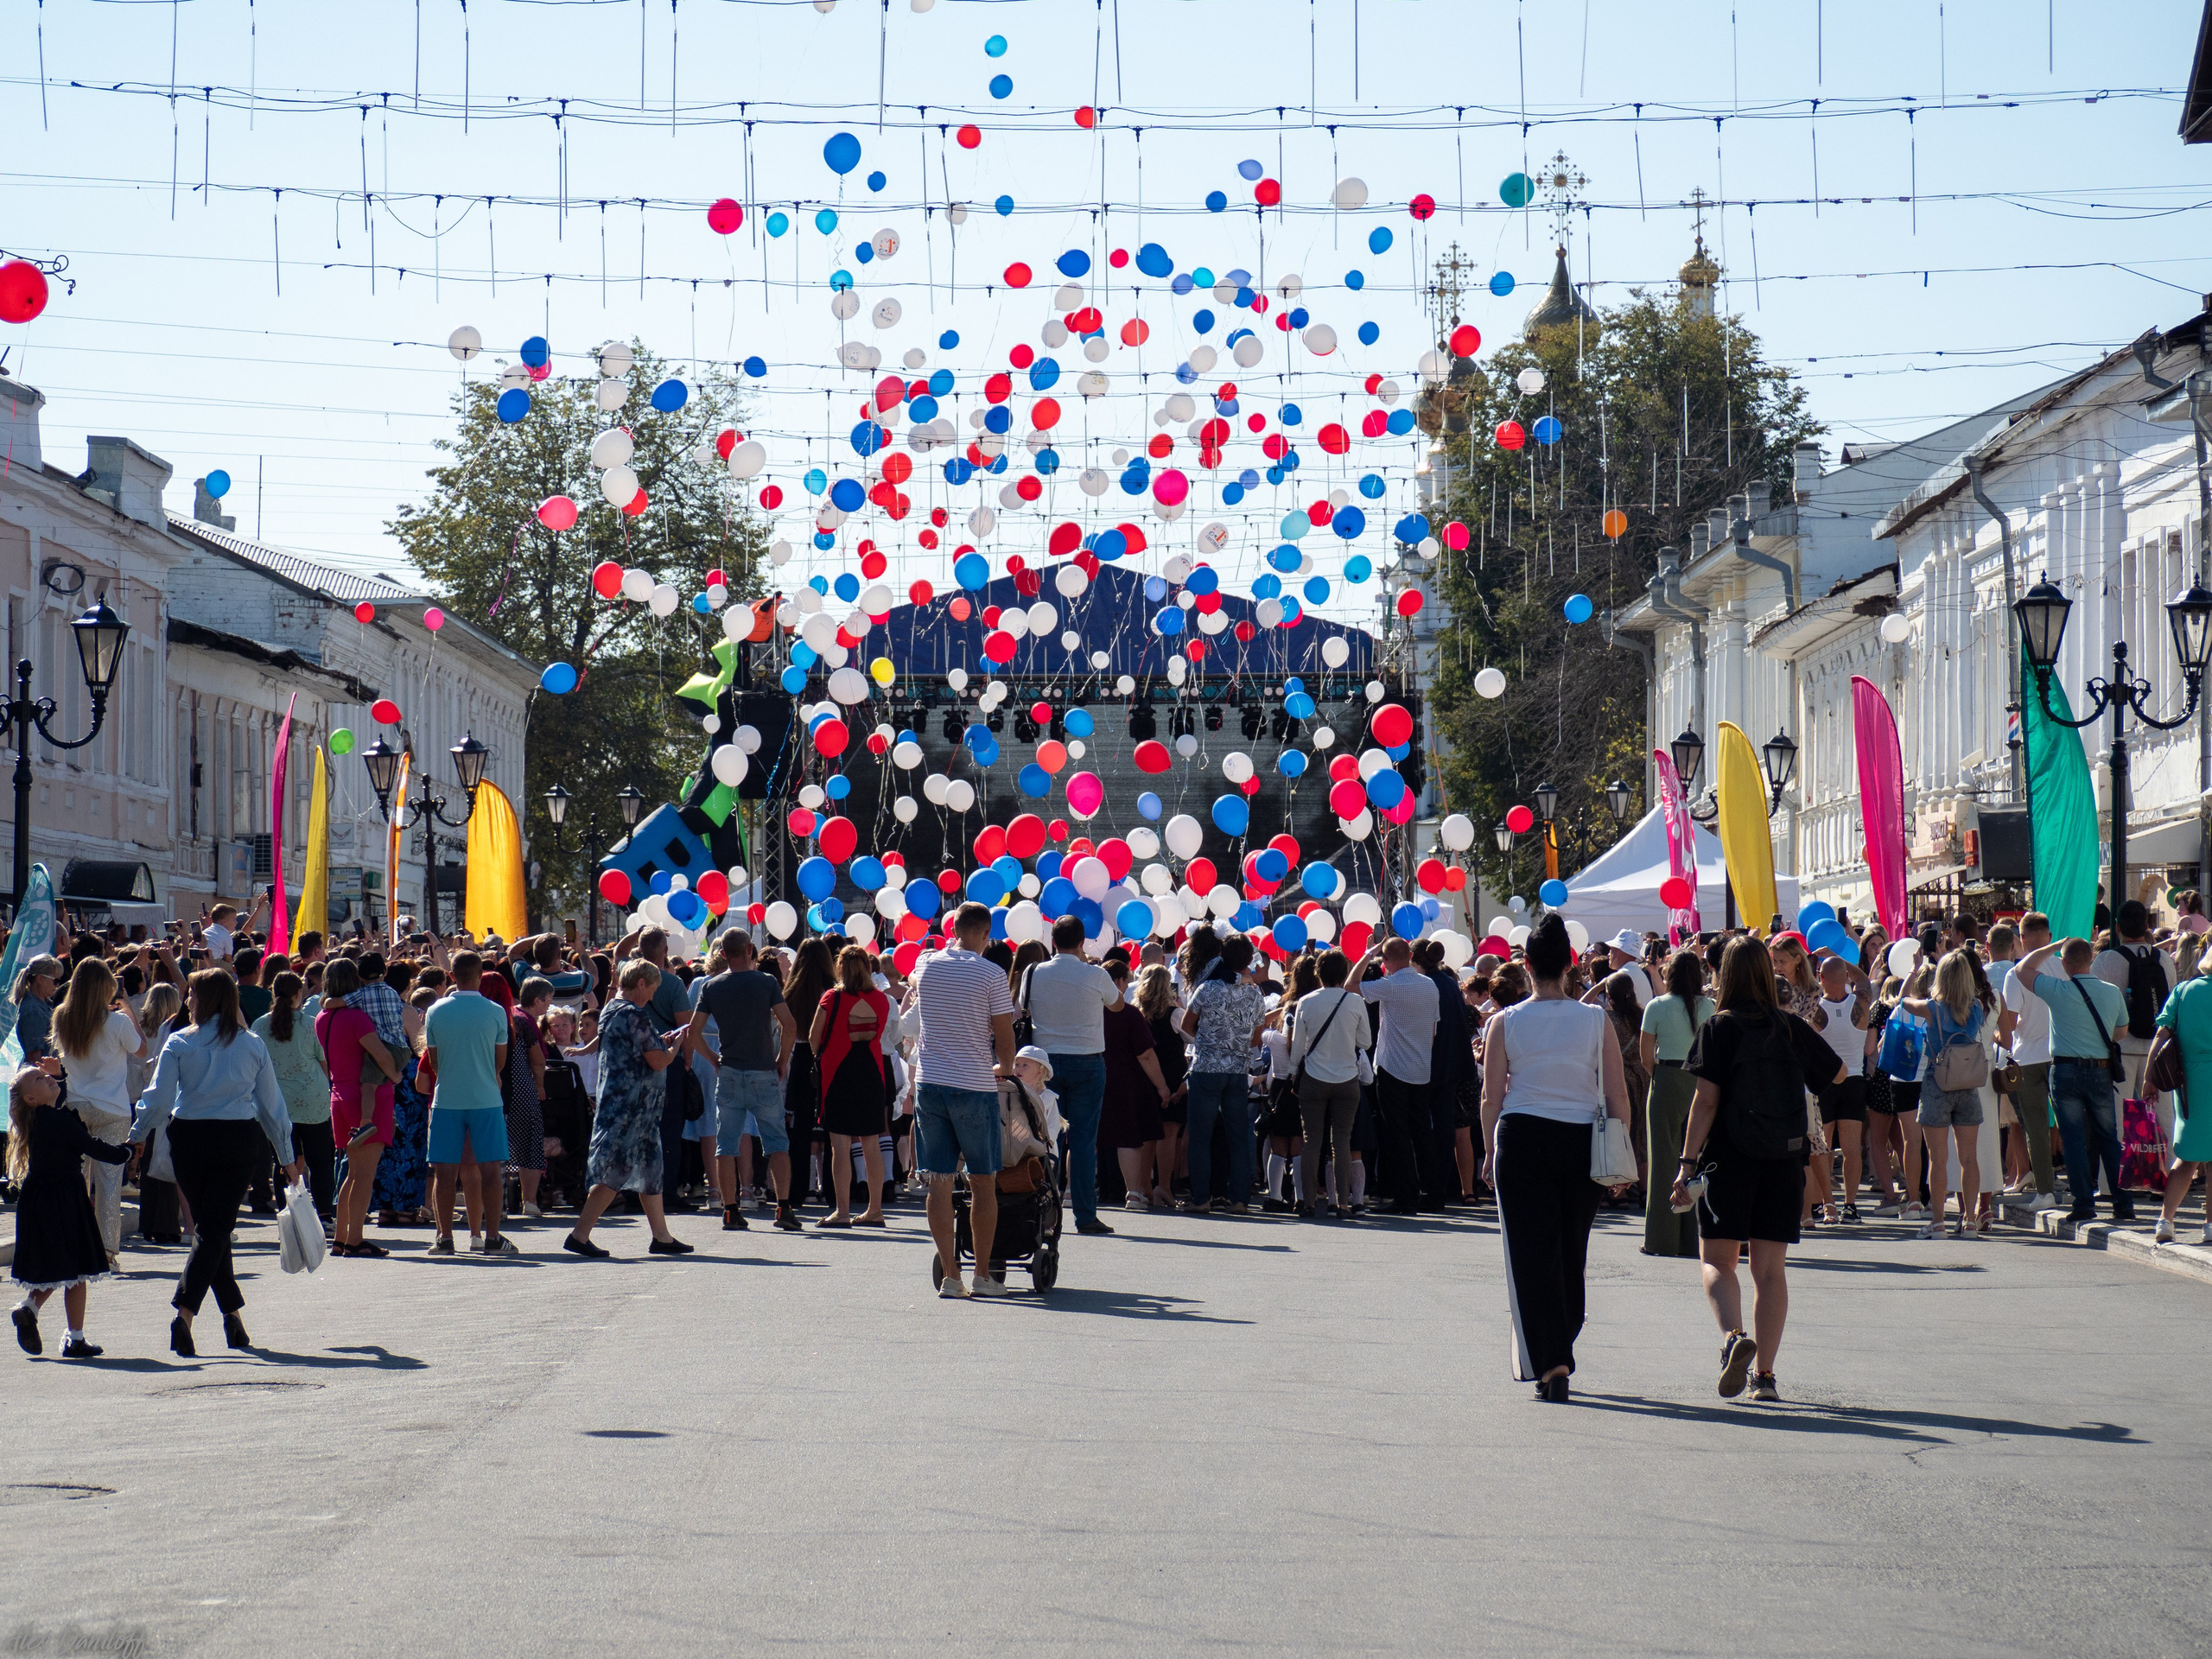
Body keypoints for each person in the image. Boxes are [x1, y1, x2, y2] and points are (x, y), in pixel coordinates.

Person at [1671, 937, 1847, 1404]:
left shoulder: (1718, 1027)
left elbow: (1705, 1102)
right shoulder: (1788, 1026)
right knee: (1770, 1272)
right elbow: (1839, 1073)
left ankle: (1733, 1337)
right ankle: (1765, 1376)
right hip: (1783, 1159)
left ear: (1724, 975)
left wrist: (1686, 1164)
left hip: (1729, 1158)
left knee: (1717, 1260)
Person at [1478, 914, 1632, 1404]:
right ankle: (1562, 1340)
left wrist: (1489, 1152)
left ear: (1526, 965)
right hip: (1580, 1139)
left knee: (1531, 1253)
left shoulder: (1505, 1021)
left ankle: (1552, 1359)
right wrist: (1622, 1154)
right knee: (1570, 1249)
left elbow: (1491, 1096)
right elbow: (1618, 1094)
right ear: (1570, 964)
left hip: (1522, 1136)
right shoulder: (1595, 1019)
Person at [130, 970, 304, 1357]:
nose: (188, 1001)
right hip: (236, 1138)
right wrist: (286, 1157)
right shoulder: (251, 1044)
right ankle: (211, 1317)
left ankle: (208, 1316)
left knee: (212, 1227)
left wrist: (139, 1133)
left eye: (192, 994)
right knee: (214, 1228)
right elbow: (272, 1107)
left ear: (206, 999)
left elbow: (159, 1098)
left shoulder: (180, 1041)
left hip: (190, 1138)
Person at [910, 902, 1017, 1298]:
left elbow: (917, 985)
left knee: (938, 1181)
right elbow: (1004, 1034)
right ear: (986, 934)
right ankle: (983, 1275)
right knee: (983, 1180)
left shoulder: (925, 963)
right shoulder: (991, 973)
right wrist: (1006, 1067)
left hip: (930, 1082)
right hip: (973, 1083)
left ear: (953, 929)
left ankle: (951, 1276)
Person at [565, 958, 695, 1259]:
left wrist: (660, 1043)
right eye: (652, 989)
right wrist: (674, 1046)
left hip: (627, 1105)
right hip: (631, 1107)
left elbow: (635, 1048)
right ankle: (579, 1235)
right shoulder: (634, 1014)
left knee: (650, 1169)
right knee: (617, 1170)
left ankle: (661, 1236)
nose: (652, 996)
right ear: (641, 983)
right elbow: (658, 1061)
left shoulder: (612, 1008)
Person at [10, 1059, 132, 1357]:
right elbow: (91, 1145)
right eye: (39, 1079)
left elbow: (62, 1101)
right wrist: (127, 1152)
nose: (47, 1079)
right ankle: (72, 1336)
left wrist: (59, 1075)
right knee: (76, 1267)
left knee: (64, 1266)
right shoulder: (57, 1121)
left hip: (43, 1200)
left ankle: (32, 1309)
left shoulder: (42, 1119)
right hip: (63, 1200)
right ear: (31, 1098)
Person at [684, 931, 802, 1234]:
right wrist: (782, 1060)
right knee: (777, 1142)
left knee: (726, 1144)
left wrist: (713, 1059)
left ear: (723, 954)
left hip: (730, 1071)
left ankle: (730, 1209)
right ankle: (783, 1207)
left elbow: (693, 1033)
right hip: (763, 1070)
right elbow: (789, 1025)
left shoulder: (711, 986)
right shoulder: (767, 982)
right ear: (750, 949)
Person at [1019, 915, 1125, 1236]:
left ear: (1053, 941)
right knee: (1083, 1142)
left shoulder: (1033, 971)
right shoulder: (1096, 974)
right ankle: (1085, 1215)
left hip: (1044, 1063)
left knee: (1044, 1139)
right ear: (1082, 942)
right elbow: (1118, 1006)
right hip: (1087, 1062)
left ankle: (1042, 1212)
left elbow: (1020, 1008)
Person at [2018, 934, 2133, 1223]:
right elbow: (2121, 1032)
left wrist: (2052, 947)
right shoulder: (2112, 992)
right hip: (2101, 1070)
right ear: (2092, 959)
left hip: (2065, 1070)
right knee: (2108, 1138)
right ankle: (2122, 1201)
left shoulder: (2058, 989)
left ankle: (2083, 1203)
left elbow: (2022, 969)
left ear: (2065, 963)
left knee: (2073, 1139)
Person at [49, 957, 145, 1262]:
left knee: (75, 1182)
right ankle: (106, 1252)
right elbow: (142, 1050)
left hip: (75, 1106)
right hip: (112, 1108)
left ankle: (73, 1244)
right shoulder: (118, 1022)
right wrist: (128, 1009)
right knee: (109, 1184)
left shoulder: (62, 1017)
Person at [423, 951, 517, 1257]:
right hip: (486, 1099)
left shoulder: (435, 1010)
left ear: (452, 976)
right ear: (479, 976)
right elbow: (499, 1062)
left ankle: (444, 1237)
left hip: (447, 1099)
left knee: (444, 1173)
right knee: (490, 1171)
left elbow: (434, 1061)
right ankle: (492, 1237)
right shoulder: (496, 1011)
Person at [1894, 951, 1988, 1240]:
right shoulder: (1977, 1007)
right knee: (1969, 1158)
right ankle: (1969, 1221)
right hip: (1968, 1083)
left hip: (1938, 1083)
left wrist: (1913, 970)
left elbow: (1902, 1000)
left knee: (1938, 1158)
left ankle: (1938, 1223)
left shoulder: (1932, 1008)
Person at [315, 958, 404, 1258]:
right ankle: (355, 1239)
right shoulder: (357, 1018)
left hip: (339, 1094)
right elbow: (381, 1055)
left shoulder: (322, 1017)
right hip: (366, 1097)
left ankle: (342, 1238)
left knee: (352, 1173)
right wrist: (396, 1076)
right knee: (364, 1175)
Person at [1351, 938, 1442, 1216]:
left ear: (1385, 961)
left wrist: (1367, 953)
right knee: (1422, 1133)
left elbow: (1350, 985)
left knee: (1397, 1134)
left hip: (1393, 1069)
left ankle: (1406, 1196)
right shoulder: (1430, 985)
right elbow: (1433, 1031)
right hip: (1421, 1069)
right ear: (1411, 955)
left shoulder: (1390, 985)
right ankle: (1432, 1193)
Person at [1179, 934, 1267, 1217]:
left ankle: (1201, 1198)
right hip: (1238, 1070)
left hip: (1206, 1068)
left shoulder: (1207, 989)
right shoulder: (1255, 995)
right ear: (1248, 960)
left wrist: (1209, 1041)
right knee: (1238, 1136)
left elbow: (1186, 1026)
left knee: (1200, 1137)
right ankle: (1239, 1200)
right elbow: (1256, 1039)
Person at [809, 944, 893, 1229]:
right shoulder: (881, 1000)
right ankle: (875, 1210)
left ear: (840, 967)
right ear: (867, 967)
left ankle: (842, 1211)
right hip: (872, 1073)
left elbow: (814, 1038)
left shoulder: (831, 997)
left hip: (839, 1075)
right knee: (872, 1144)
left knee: (840, 1146)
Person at [1638, 950, 1712, 1257]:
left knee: (1663, 1160)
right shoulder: (1709, 1006)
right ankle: (1693, 1239)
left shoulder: (1656, 1005)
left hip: (1667, 1077)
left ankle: (1661, 1240)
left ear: (1669, 974)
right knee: (1694, 1158)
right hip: (1701, 1081)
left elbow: (1645, 1056)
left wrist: (1661, 1077)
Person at [1290, 948, 1371, 1219]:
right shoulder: (1355, 1002)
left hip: (1314, 1078)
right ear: (1344, 973)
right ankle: (1344, 1204)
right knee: (1342, 1143)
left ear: (1319, 973)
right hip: (1347, 1079)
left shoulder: (1306, 1001)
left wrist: (1293, 1072)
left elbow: (1297, 1047)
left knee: (1311, 1141)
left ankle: (1308, 1202)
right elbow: (1365, 1042)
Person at [1994, 914, 2061, 1213]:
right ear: (2049, 937)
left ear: (2020, 939)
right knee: (2070, 1126)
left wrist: (1992, 1034)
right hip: (2061, 1053)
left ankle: (2045, 1191)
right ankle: (2082, 1188)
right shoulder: (2063, 967)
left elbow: (2009, 1029)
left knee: (2036, 1129)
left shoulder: (2016, 974)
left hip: (2028, 1058)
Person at [254, 972, 333, 1226]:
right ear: (299, 994)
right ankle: (325, 1215)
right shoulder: (311, 1024)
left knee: (283, 1160)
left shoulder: (259, 1026)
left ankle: (288, 1219)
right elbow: (324, 1064)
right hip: (313, 1102)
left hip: (275, 1103)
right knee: (320, 1162)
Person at [2096, 899, 2178, 1139]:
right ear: (2147, 926)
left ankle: (2118, 1165)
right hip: (2159, 1049)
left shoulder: (2105, 961)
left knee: (2117, 1123)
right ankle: (2169, 1163)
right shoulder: (2164, 959)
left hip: (2120, 1050)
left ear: (2117, 928)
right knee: (2165, 1121)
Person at [1098, 958, 1172, 1210]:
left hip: (1092, 1078)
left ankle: (1071, 1191)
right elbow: (1146, 1054)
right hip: (1124, 1081)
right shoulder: (1129, 1014)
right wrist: (1162, 1086)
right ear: (1120, 982)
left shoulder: (1089, 1010)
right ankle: (1133, 1193)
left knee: (1083, 1138)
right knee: (1128, 1138)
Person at [1809, 955, 1872, 1225]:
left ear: (1821, 978)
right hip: (1854, 1080)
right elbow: (1865, 980)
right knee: (1851, 1148)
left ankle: (1825, 1203)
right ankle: (1850, 1204)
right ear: (1846, 977)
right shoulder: (1861, 1003)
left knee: (1822, 1146)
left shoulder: (1815, 1009)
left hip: (1825, 1082)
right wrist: (1844, 961)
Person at [2153, 958, 2212, 1243]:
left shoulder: (2184, 990)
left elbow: (2162, 1033)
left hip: (2190, 1081)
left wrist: (2149, 1078)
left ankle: (2165, 1221)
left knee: (2187, 1156)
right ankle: (2211, 1225)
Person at [780, 939, 836, 1209]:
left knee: (800, 1128)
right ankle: (834, 1191)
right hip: (828, 1057)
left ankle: (797, 1190)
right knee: (833, 1127)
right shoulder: (833, 990)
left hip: (801, 1058)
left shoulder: (792, 991)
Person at [1134, 965, 1188, 1198]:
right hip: (1173, 1075)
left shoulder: (1136, 1014)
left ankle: (1144, 1185)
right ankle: (1163, 1186)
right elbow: (1193, 1037)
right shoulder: (1175, 1013)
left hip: (1145, 1075)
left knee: (1147, 1134)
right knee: (1169, 1133)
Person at [505, 977, 553, 1217]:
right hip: (523, 1087)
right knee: (530, 1142)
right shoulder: (525, 1020)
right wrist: (540, 1086)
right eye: (548, 1000)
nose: (549, 1005)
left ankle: (502, 1200)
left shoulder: (509, 1014)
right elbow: (538, 1060)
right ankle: (530, 1201)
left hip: (500, 1087)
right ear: (537, 1000)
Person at [10, 954, 63, 1063]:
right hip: (43, 1072)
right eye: (55, 981)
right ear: (40, 978)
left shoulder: (43, 1004)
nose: (57, 986)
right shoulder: (33, 1011)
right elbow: (35, 1058)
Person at [1605, 931, 1654, 1006]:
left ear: (1618, 953)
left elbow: (1615, 1008)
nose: (1608, 955)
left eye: (1611, 950)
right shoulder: (1639, 973)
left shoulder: (1622, 975)